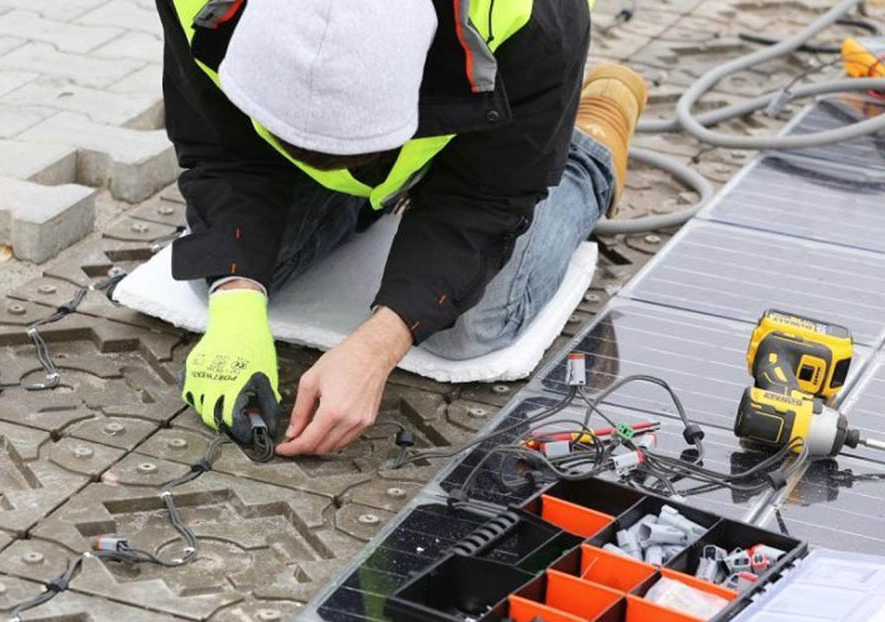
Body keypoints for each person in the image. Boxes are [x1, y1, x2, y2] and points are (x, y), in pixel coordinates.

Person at [155, 0, 647, 457]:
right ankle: (373, 193)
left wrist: (380, 345)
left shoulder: (529, 19)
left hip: (493, 125)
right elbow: (218, 146)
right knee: (225, 269)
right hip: (344, 143)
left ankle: (589, 147)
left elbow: (489, 198)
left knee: (468, 330)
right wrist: (236, 301)